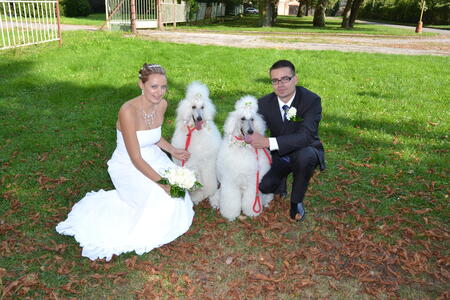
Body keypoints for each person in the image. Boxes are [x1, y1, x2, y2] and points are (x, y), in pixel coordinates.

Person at [56, 63, 194, 261]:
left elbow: (154, 137)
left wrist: (173, 151)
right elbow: (135, 158)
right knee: (162, 197)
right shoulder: (127, 111)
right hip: (129, 165)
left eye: (163, 87)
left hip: (154, 157)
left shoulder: (162, 105)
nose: (159, 92)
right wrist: (163, 184)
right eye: (154, 86)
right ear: (141, 84)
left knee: (181, 191)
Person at [250, 59, 325, 222]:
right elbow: (250, 126)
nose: (280, 84)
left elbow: (306, 136)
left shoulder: (311, 101)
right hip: (280, 153)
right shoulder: (263, 103)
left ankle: (296, 201)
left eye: (285, 79)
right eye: (275, 80)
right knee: (265, 187)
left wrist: (268, 142)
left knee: (305, 157)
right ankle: (281, 179)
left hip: (306, 148)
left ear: (295, 79)